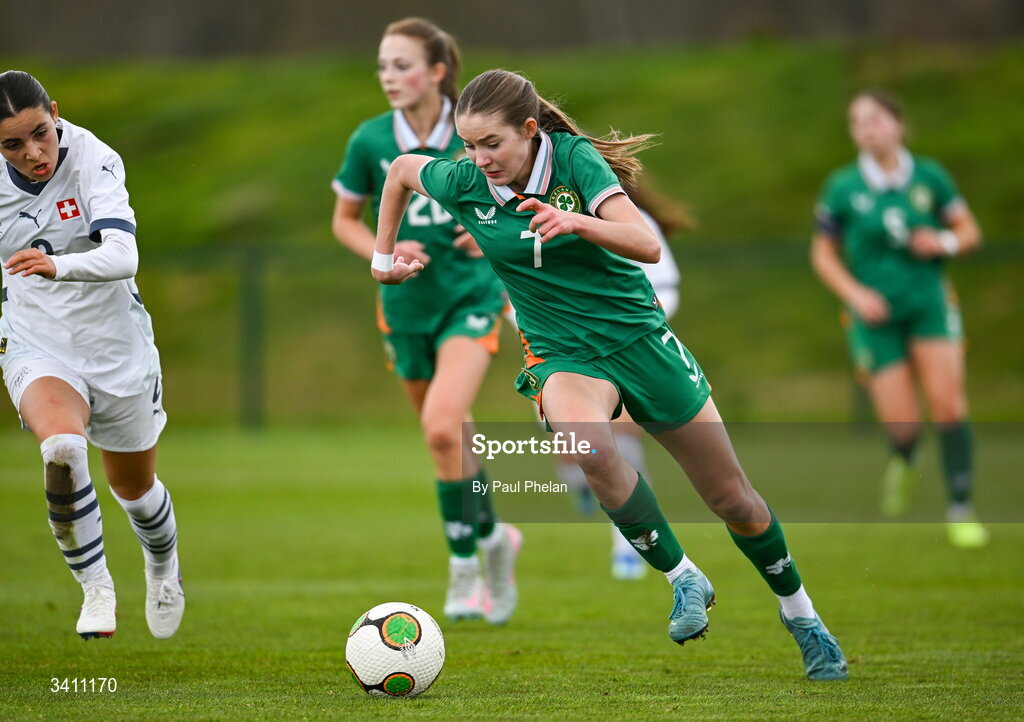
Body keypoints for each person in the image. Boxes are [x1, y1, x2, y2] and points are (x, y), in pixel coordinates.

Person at [371, 68, 848, 681]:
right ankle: (683, 578)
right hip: (562, 353)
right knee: (589, 448)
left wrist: (577, 222)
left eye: (492, 144)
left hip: (641, 342)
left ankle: (802, 617)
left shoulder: (572, 162)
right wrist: (384, 259)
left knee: (733, 499)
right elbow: (402, 171)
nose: (478, 158)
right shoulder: (464, 180)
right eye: (467, 144)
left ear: (529, 129)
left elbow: (645, 244)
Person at [330, 19, 520, 624]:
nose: (389, 77)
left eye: (402, 65)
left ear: (437, 72)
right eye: (383, 65)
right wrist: (385, 255)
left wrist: (488, 229)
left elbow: (523, 196)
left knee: (443, 430)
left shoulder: (473, 135)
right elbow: (344, 222)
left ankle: (464, 566)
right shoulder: (368, 141)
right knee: (450, 441)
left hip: (471, 299)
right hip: (405, 310)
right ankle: (496, 537)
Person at [0, 70, 185, 640]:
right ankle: (97, 588)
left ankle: (162, 567)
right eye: (13, 143)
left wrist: (59, 265)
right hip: (38, 341)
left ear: (55, 113)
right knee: (61, 447)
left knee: (134, 488)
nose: (34, 153)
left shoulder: (94, 157)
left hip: (115, 346)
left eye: (41, 133)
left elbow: (124, 256)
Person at [811, 90, 988, 548]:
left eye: (875, 119)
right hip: (875, 317)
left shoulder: (930, 177)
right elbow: (823, 254)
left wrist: (944, 242)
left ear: (897, 124)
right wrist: (855, 293)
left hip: (929, 304)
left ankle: (961, 508)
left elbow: (969, 232)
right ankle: (905, 459)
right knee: (903, 425)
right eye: (857, 122)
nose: (866, 130)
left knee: (948, 404)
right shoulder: (843, 186)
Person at [560, 182, 689, 580]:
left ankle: (630, 541)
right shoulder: (524, 216)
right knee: (575, 454)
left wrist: (632, 333)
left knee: (620, 438)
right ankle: (587, 488)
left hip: (624, 348)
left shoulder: (631, 221)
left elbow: (664, 287)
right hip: (558, 351)